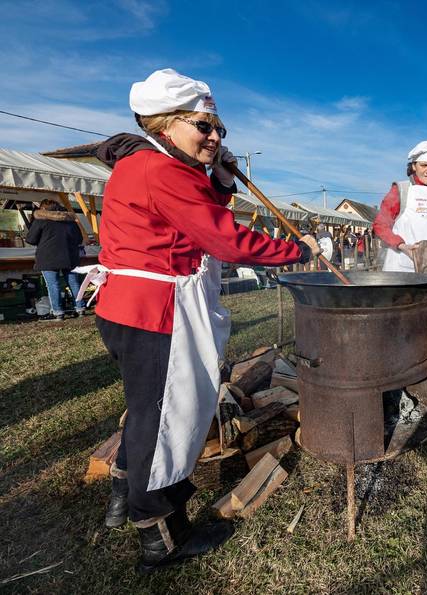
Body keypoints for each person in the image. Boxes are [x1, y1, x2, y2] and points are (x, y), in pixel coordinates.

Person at [82, 68, 320, 572]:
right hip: (156, 310)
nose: (214, 136)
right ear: (166, 124)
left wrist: (222, 178)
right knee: (169, 418)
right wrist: (294, 250)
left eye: (219, 129)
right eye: (203, 126)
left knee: (146, 409)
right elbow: (225, 238)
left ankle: (123, 496)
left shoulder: (160, 164)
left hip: (132, 307)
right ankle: (160, 533)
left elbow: (199, 209)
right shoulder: (160, 170)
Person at [372, 140, 427, 395]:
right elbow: (381, 225)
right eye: (424, 165)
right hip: (403, 267)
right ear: (413, 166)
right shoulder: (400, 190)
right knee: (402, 325)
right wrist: (400, 245)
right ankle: (399, 379)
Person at [25, 199, 86, 321]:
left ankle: (58, 312)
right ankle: (80, 309)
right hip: (70, 256)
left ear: (43, 209)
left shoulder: (41, 221)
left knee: (53, 285)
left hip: (48, 257)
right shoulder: (70, 221)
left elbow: (30, 239)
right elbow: (79, 239)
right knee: (74, 283)